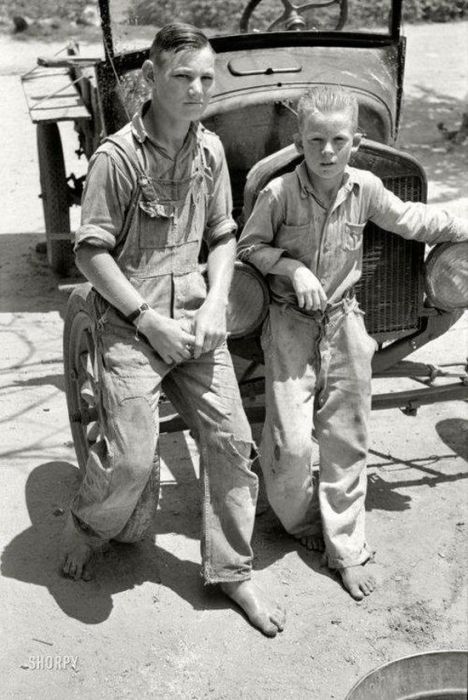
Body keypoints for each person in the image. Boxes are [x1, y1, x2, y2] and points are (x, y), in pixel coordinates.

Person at [61, 22, 285, 637]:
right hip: (132, 322)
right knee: (133, 459)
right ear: (151, 79)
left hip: (193, 317)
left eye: (206, 78)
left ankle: (233, 569)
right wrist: (144, 320)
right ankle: (89, 526)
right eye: (182, 76)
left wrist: (215, 303)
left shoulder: (209, 151)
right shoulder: (119, 157)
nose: (195, 88)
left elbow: (221, 235)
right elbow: (90, 253)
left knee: (234, 442)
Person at [237, 85, 468, 600]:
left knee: (347, 437)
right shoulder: (278, 194)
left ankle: (346, 550)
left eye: (337, 140)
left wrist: (461, 224)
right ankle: (301, 524)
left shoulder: (364, 187)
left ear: (356, 143)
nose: (325, 151)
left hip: (345, 321)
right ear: (299, 140)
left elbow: (412, 221)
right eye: (315, 139)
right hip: (288, 323)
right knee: (292, 444)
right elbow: (248, 247)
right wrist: (291, 267)